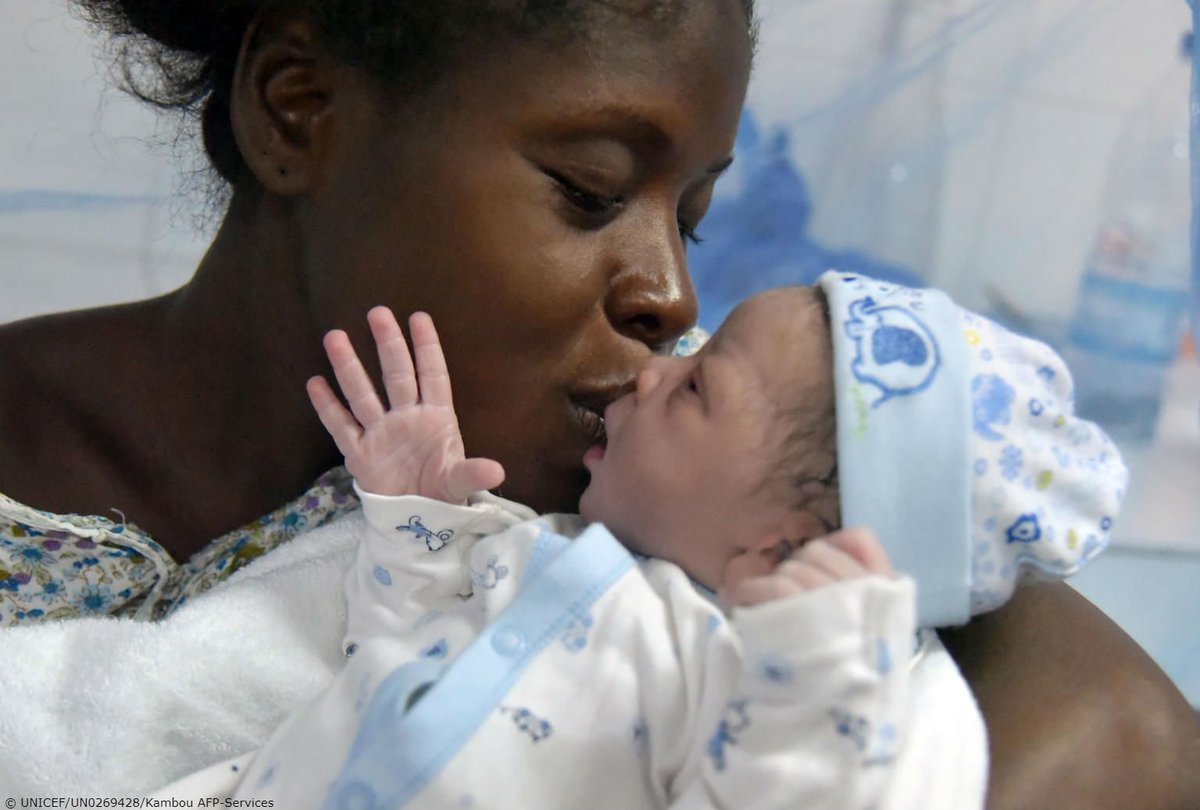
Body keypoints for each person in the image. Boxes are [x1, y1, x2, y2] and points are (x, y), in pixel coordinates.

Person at [0, 1, 1194, 807]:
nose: (676, 298)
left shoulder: (645, 508)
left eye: (693, 217)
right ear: (299, 108)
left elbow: (1133, 739)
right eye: (589, 190)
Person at [156, 272, 1120, 806]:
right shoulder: (557, 550)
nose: (654, 372)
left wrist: (814, 686)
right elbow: (395, 651)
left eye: (698, 388)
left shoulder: (757, 684)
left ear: (779, 550)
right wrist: (420, 521)